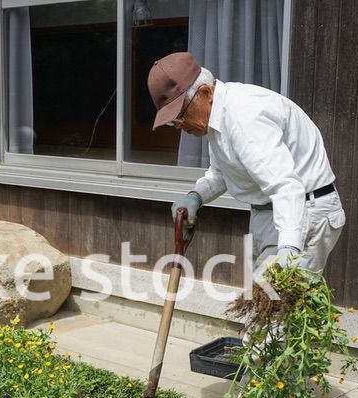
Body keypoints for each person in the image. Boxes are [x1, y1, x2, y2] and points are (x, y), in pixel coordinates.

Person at [147, 52, 345, 273]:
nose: (178, 126)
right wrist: (195, 196)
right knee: (261, 300)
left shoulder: (244, 116)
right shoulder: (216, 118)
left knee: (276, 301)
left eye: (180, 114)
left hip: (302, 211)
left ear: (205, 93)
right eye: (173, 121)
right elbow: (221, 173)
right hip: (268, 212)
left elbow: (285, 185)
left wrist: (289, 248)